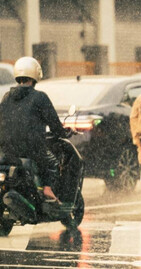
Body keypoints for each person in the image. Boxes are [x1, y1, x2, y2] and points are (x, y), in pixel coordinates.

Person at [0, 56, 68, 202]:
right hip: (31, 148)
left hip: (7, 149)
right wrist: (63, 133)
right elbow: (54, 123)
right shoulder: (40, 97)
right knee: (53, 163)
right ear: (36, 74)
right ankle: (47, 190)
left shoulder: (6, 97)